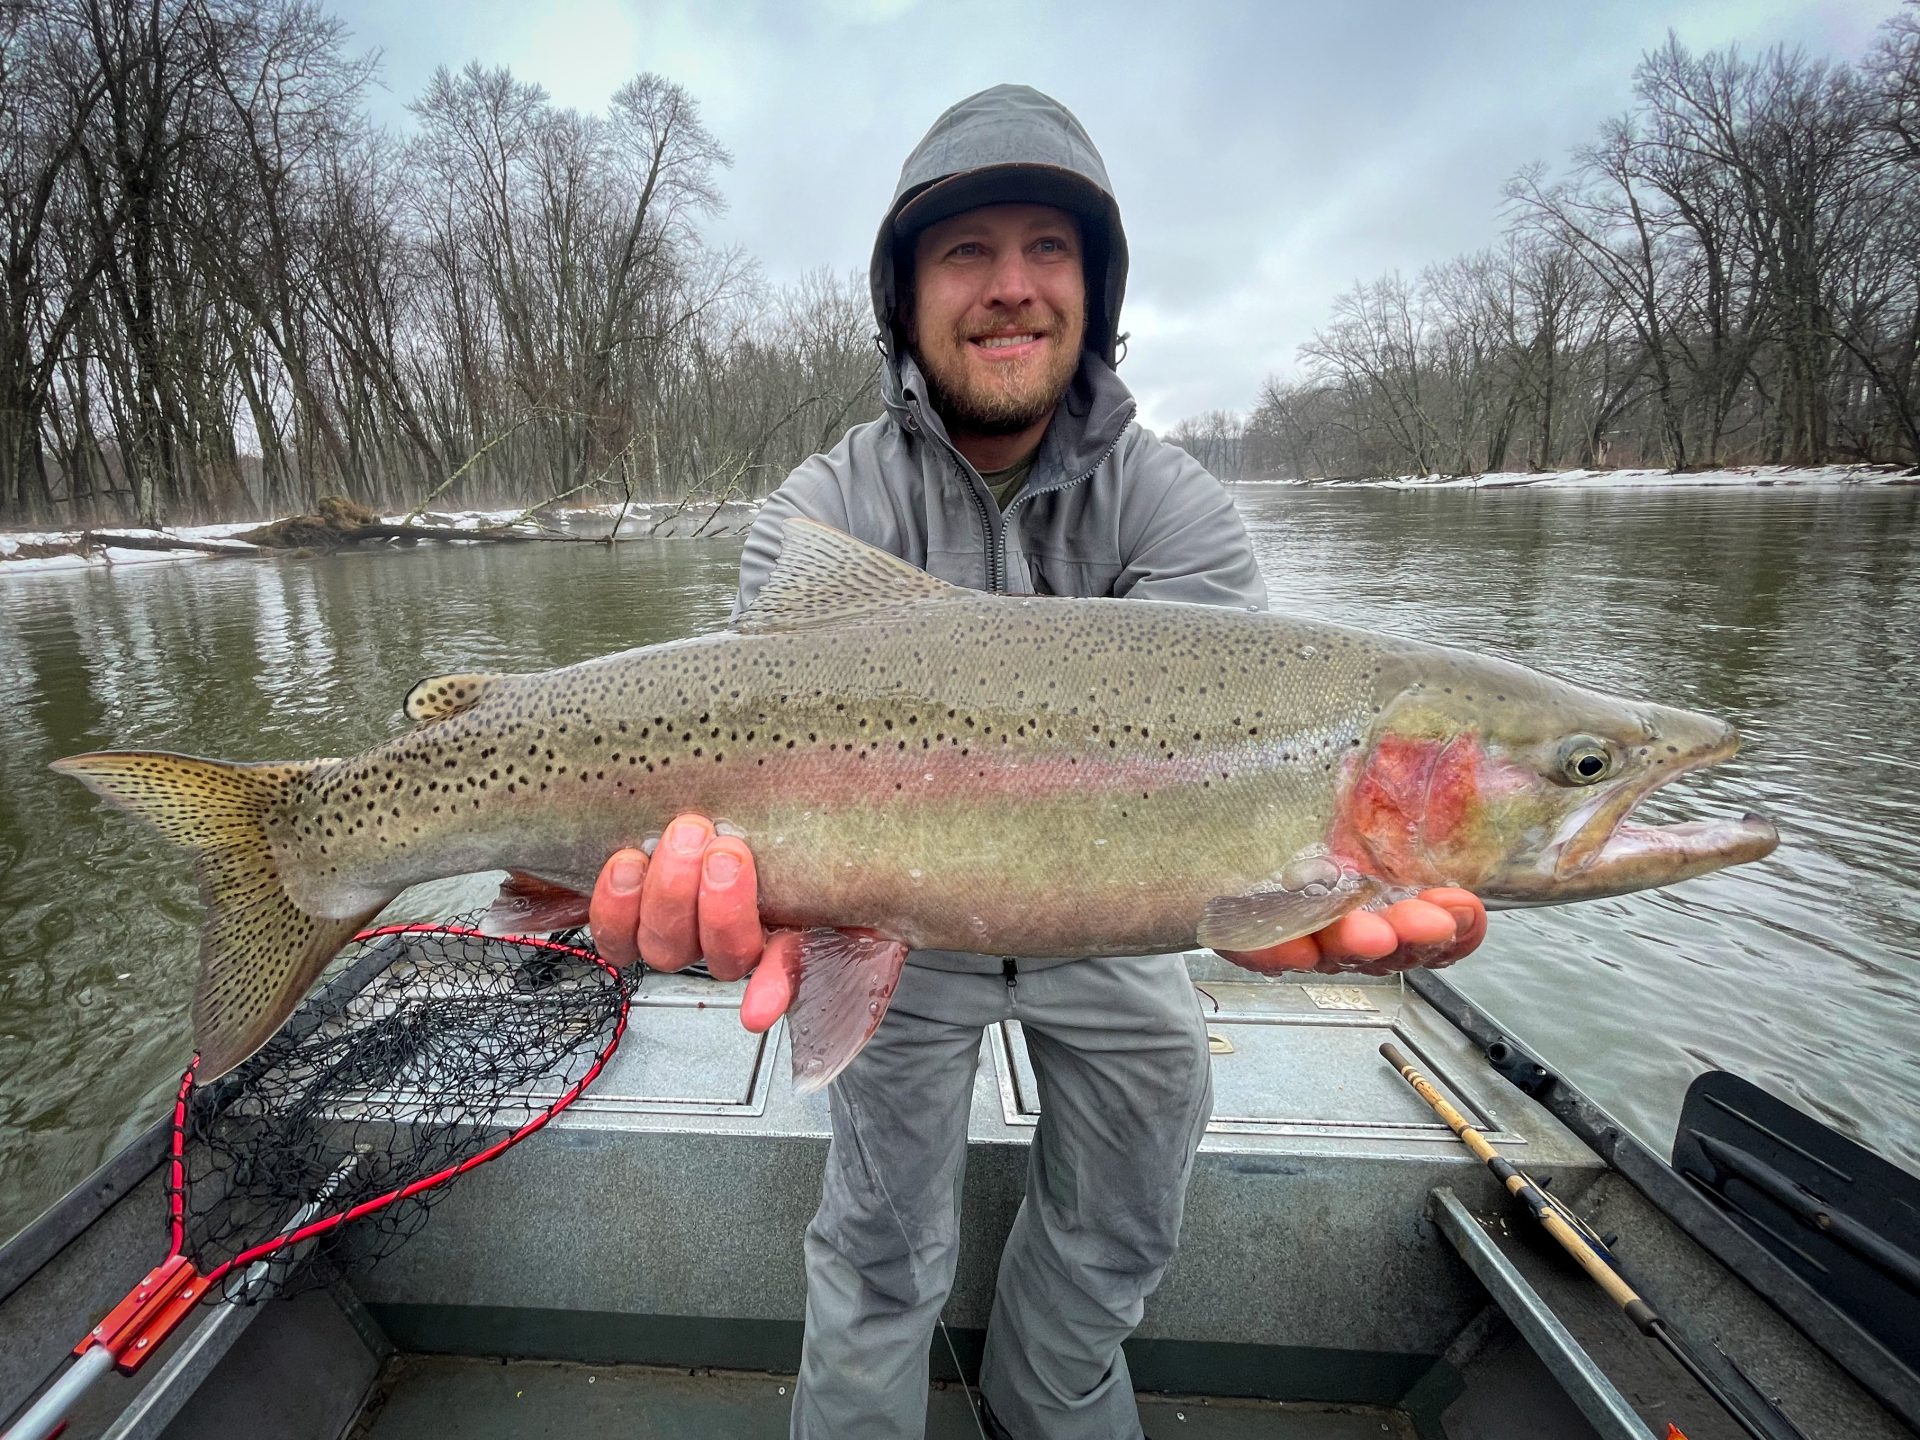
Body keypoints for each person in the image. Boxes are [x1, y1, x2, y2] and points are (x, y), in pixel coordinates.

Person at [588, 85, 1487, 1440]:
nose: (1012, 288)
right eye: (966, 252)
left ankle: (1050, 1396)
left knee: (1119, 1237)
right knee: (878, 1259)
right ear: (903, 297)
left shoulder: (1176, 506)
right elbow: (746, 749)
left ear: (1095, 287)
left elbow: (1224, 788)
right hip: (882, 925)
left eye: (1048, 250)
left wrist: (1291, 879)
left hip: (1123, 935)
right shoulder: (825, 506)